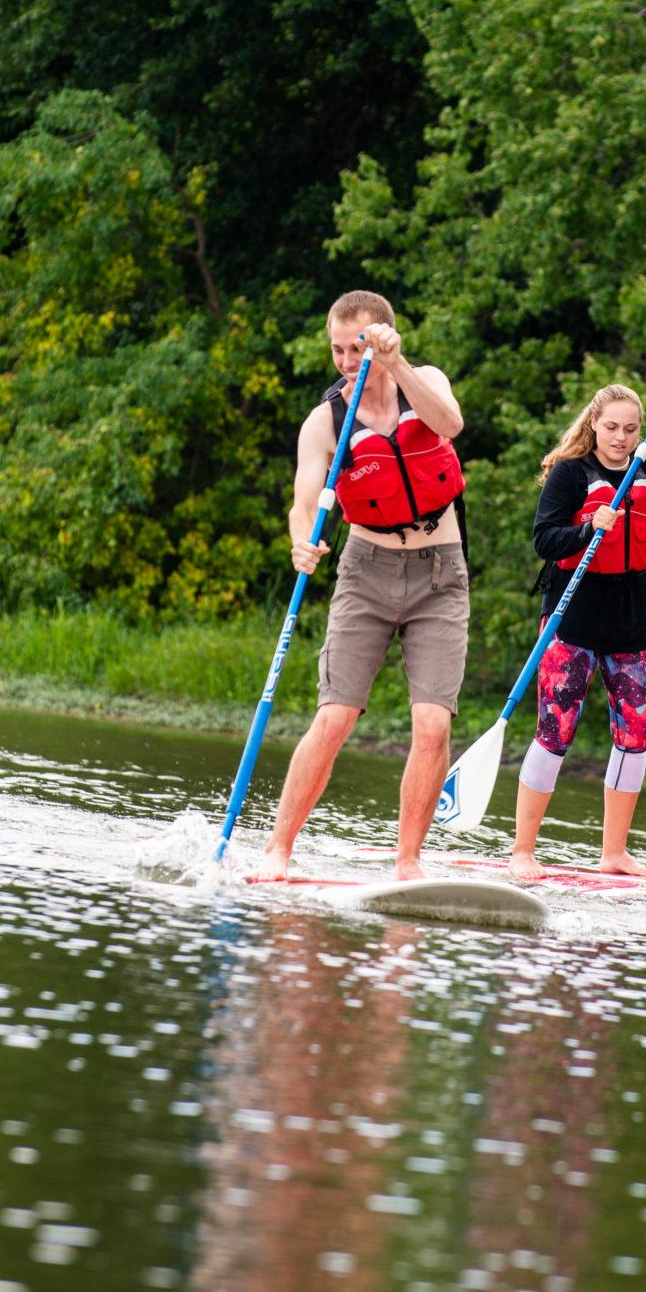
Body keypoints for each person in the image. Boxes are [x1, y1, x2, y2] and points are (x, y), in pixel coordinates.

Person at [257, 291, 469, 882]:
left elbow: (450, 423)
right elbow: (305, 502)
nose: (348, 361)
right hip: (365, 571)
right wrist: (302, 540)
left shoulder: (422, 380)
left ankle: (407, 865)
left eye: (358, 347)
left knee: (433, 724)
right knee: (335, 718)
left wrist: (396, 365)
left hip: (438, 573)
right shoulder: (325, 421)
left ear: (384, 339)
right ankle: (278, 850)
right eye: (337, 349)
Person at [508, 334, 646, 881]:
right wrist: (588, 529)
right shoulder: (570, 473)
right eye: (612, 428)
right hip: (572, 622)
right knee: (555, 730)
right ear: (594, 425)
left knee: (634, 736)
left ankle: (614, 853)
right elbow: (544, 541)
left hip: (634, 626)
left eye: (631, 429)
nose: (622, 438)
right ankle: (522, 852)